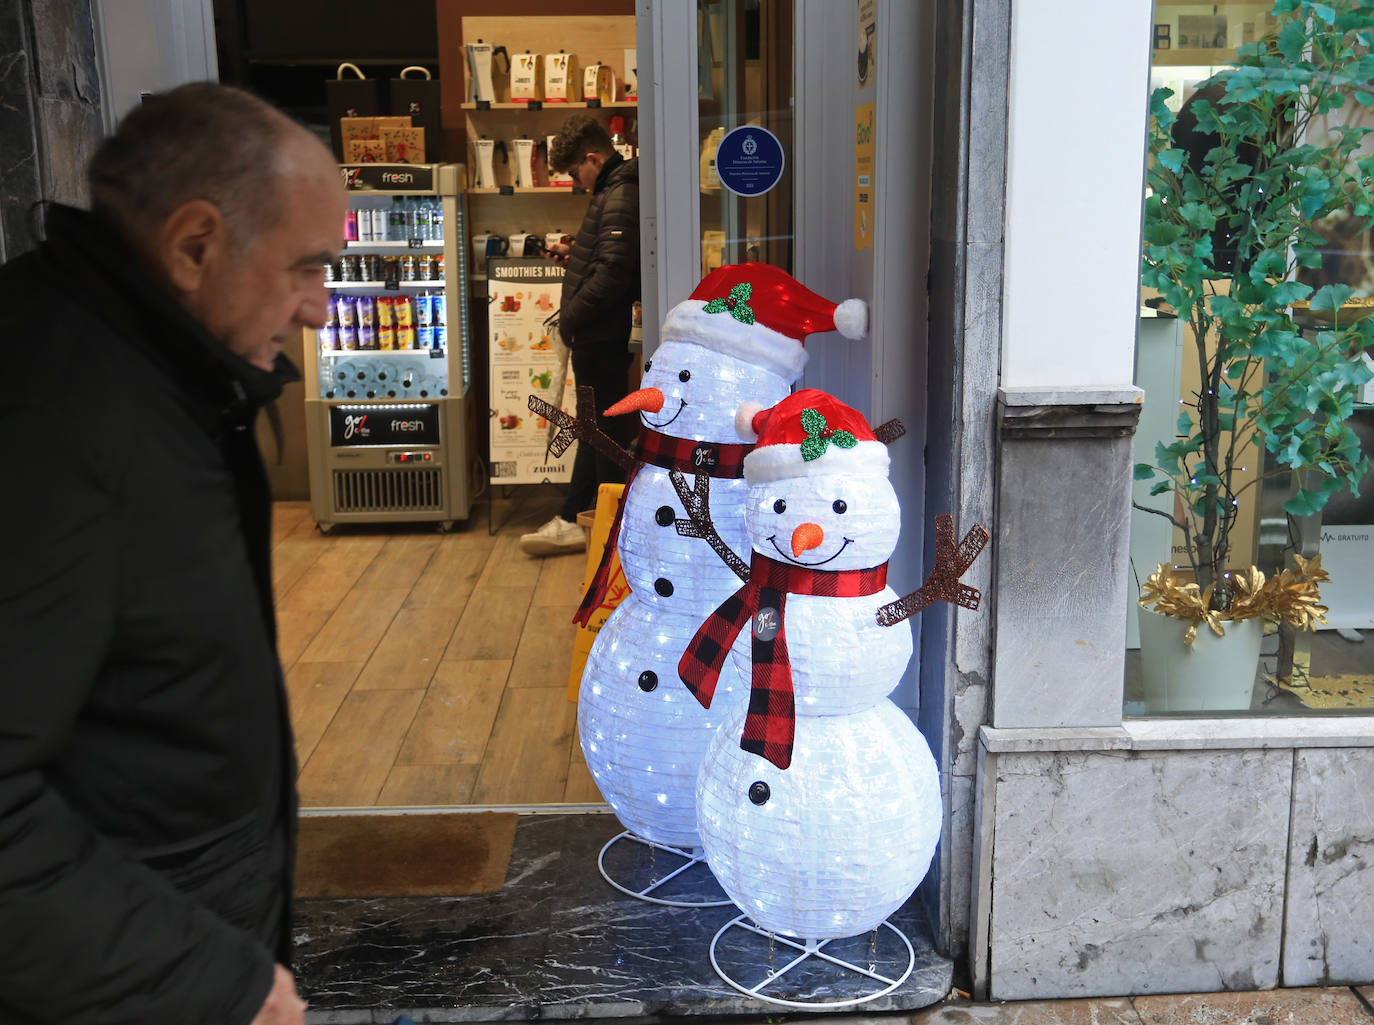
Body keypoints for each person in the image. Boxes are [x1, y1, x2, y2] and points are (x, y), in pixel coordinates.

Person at [0, 82, 345, 1025]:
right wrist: (206, 979)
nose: (321, 310)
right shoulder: (59, 415)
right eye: (306, 268)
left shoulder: (156, 371)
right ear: (195, 246)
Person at [519, 114, 641, 556]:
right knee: (595, 431)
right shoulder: (614, 189)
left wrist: (571, 318)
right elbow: (608, 259)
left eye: (575, 172)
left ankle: (602, 529)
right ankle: (578, 518)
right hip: (598, 334)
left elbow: (612, 274)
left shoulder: (621, 190)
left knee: (601, 434)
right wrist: (576, 255)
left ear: (593, 157)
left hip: (599, 335)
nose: (577, 181)